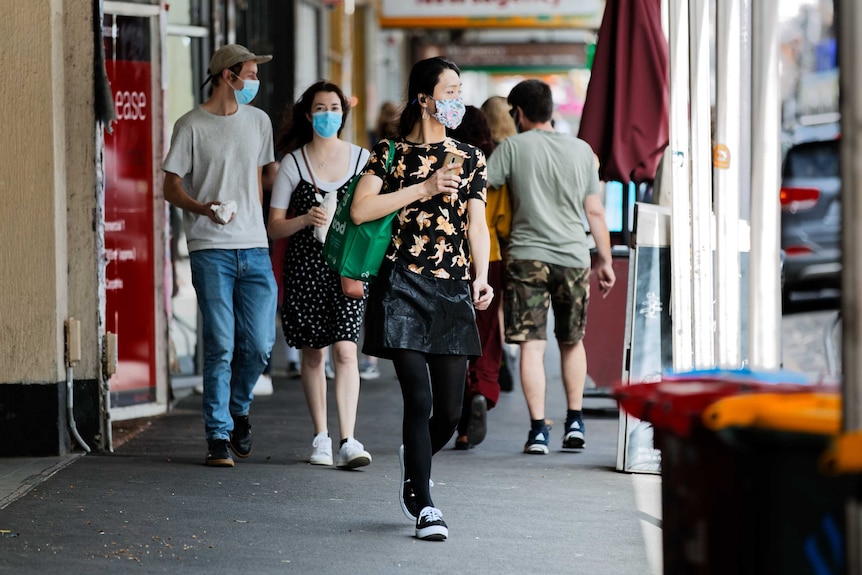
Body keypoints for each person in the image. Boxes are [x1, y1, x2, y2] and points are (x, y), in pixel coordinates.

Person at [351, 57, 493, 541]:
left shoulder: (471, 156)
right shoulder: (389, 153)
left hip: (453, 287)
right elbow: (361, 208)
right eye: (449, 90)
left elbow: (477, 223)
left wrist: (482, 275)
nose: (457, 98)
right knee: (419, 396)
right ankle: (424, 503)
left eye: (461, 89)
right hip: (400, 286)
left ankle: (416, 459)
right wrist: (424, 187)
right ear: (424, 98)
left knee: (450, 412)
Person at [162, 44, 277, 467]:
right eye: (250, 73)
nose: (255, 82)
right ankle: (216, 434)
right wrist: (204, 208)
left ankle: (238, 406)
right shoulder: (190, 125)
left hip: (256, 245)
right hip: (210, 247)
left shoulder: (259, 122)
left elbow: (267, 175)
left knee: (261, 344)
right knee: (221, 344)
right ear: (228, 77)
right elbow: (170, 186)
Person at [486, 79, 615, 455]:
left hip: (526, 256)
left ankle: (538, 430)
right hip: (573, 257)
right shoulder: (581, 151)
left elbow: (481, 189)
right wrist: (604, 260)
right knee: (572, 341)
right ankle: (575, 421)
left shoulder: (511, 147)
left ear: (520, 113)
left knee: (532, 345)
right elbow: (594, 211)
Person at [267, 81, 373, 469]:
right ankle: (321, 437)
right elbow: (274, 226)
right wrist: (303, 220)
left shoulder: (364, 160)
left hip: (347, 267)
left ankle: (348, 438)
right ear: (308, 115)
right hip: (306, 268)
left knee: (346, 350)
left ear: (344, 113)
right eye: (321, 108)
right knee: (313, 355)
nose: (328, 114)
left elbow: (375, 214)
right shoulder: (293, 163)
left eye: (334, 107)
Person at [447, 105, 511, 450]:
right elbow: (500, 220)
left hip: (448, 259)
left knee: (452, 336)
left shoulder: (444, 162)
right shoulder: (490, 164)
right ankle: (481, 392)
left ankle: (457, 408)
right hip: (489, 258)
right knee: (486, 334)